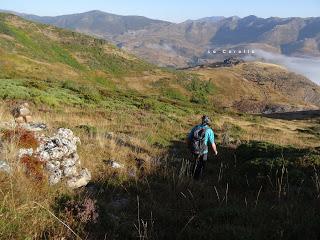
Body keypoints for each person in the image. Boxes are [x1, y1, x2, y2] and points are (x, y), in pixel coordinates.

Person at [188, 115, 218, 180]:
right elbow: (212, 143)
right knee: (202, 163)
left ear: (202, 120)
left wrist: (189, 147)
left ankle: (192, 176)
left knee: (196, 161)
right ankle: (198, 178)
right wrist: (215, 151)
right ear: (208, 122)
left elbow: (189, 138)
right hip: (203, 150)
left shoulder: (195, 127)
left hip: (194, 149)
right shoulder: (209, 130)